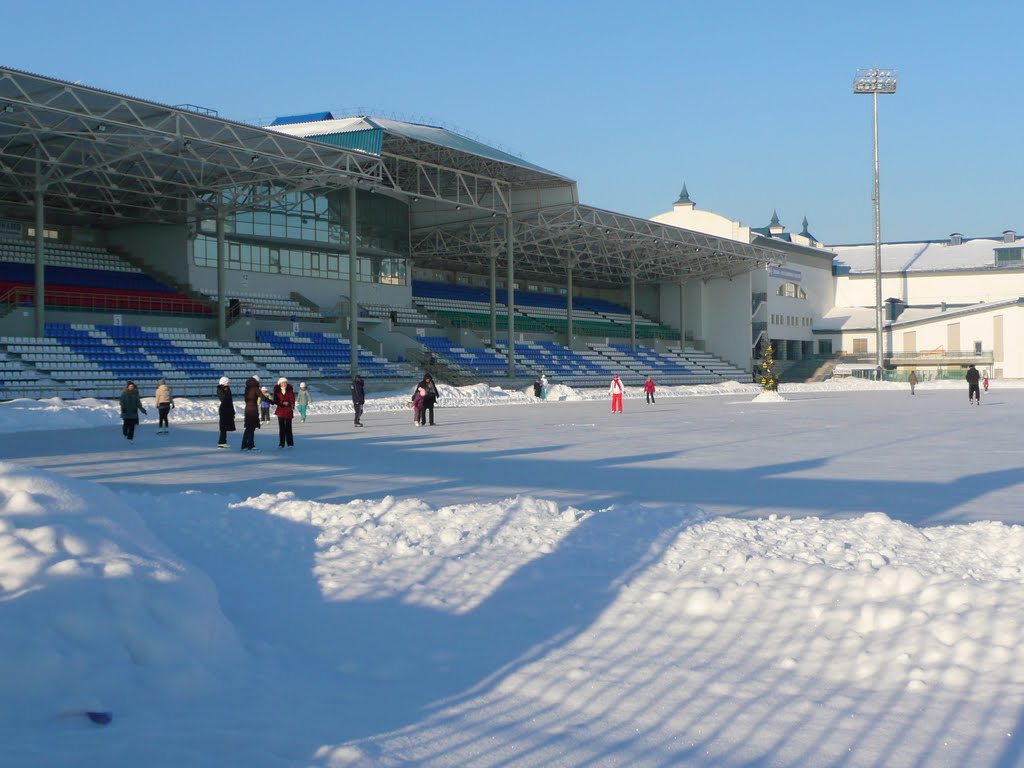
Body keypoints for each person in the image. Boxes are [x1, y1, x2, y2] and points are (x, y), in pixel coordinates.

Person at [273, 377, 296, 448]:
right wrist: (282, 403)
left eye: (285, 382)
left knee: (289, 428)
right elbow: (275, 400)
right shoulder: (277, 390)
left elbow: (292, 398)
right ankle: (281, 443)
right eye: (283, 382)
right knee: (282, 428)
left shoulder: (290, 390)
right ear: (280, 384)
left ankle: (290, 443)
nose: (284, 384)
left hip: (288, 411)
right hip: (280, 411)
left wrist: (289, 403)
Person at [241, 374, 262, 451]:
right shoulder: (255, 388)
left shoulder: (247, 387)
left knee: (248, 428)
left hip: (248, 409)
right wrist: (272, 402)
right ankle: (251, 445)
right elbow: (262, 397)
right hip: (253, 410)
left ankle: (244, 445)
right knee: (251, 428)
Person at [217, 376, 236, 448]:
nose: (228, 384)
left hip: (227, 409)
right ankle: (221, 442)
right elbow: (225, 399)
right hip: (224, 409)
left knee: (225, 427)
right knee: (223, 427)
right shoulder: (220, 389)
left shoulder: (226, 389)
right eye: (227, 383)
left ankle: (223, 441)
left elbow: (229, 399)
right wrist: (226, 389)